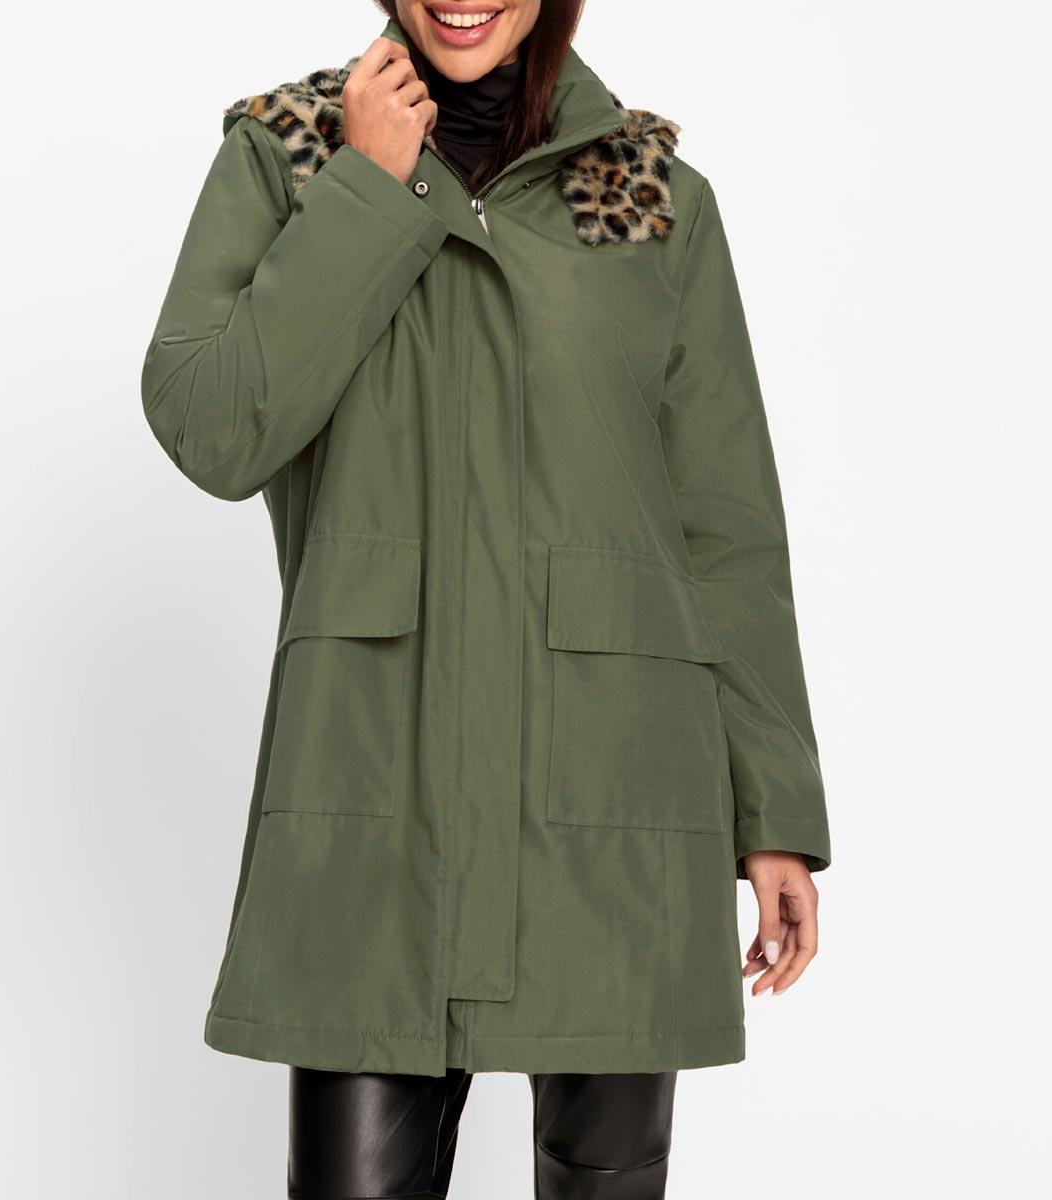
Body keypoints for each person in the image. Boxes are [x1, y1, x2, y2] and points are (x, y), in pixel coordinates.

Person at [140, 1, 832, 1195]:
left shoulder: (647, 197)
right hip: (376, 782)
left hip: (613, 789)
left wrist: (770, 809)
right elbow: (212, 428)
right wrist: (367, 186)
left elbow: (724, 527)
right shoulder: (290, 156)